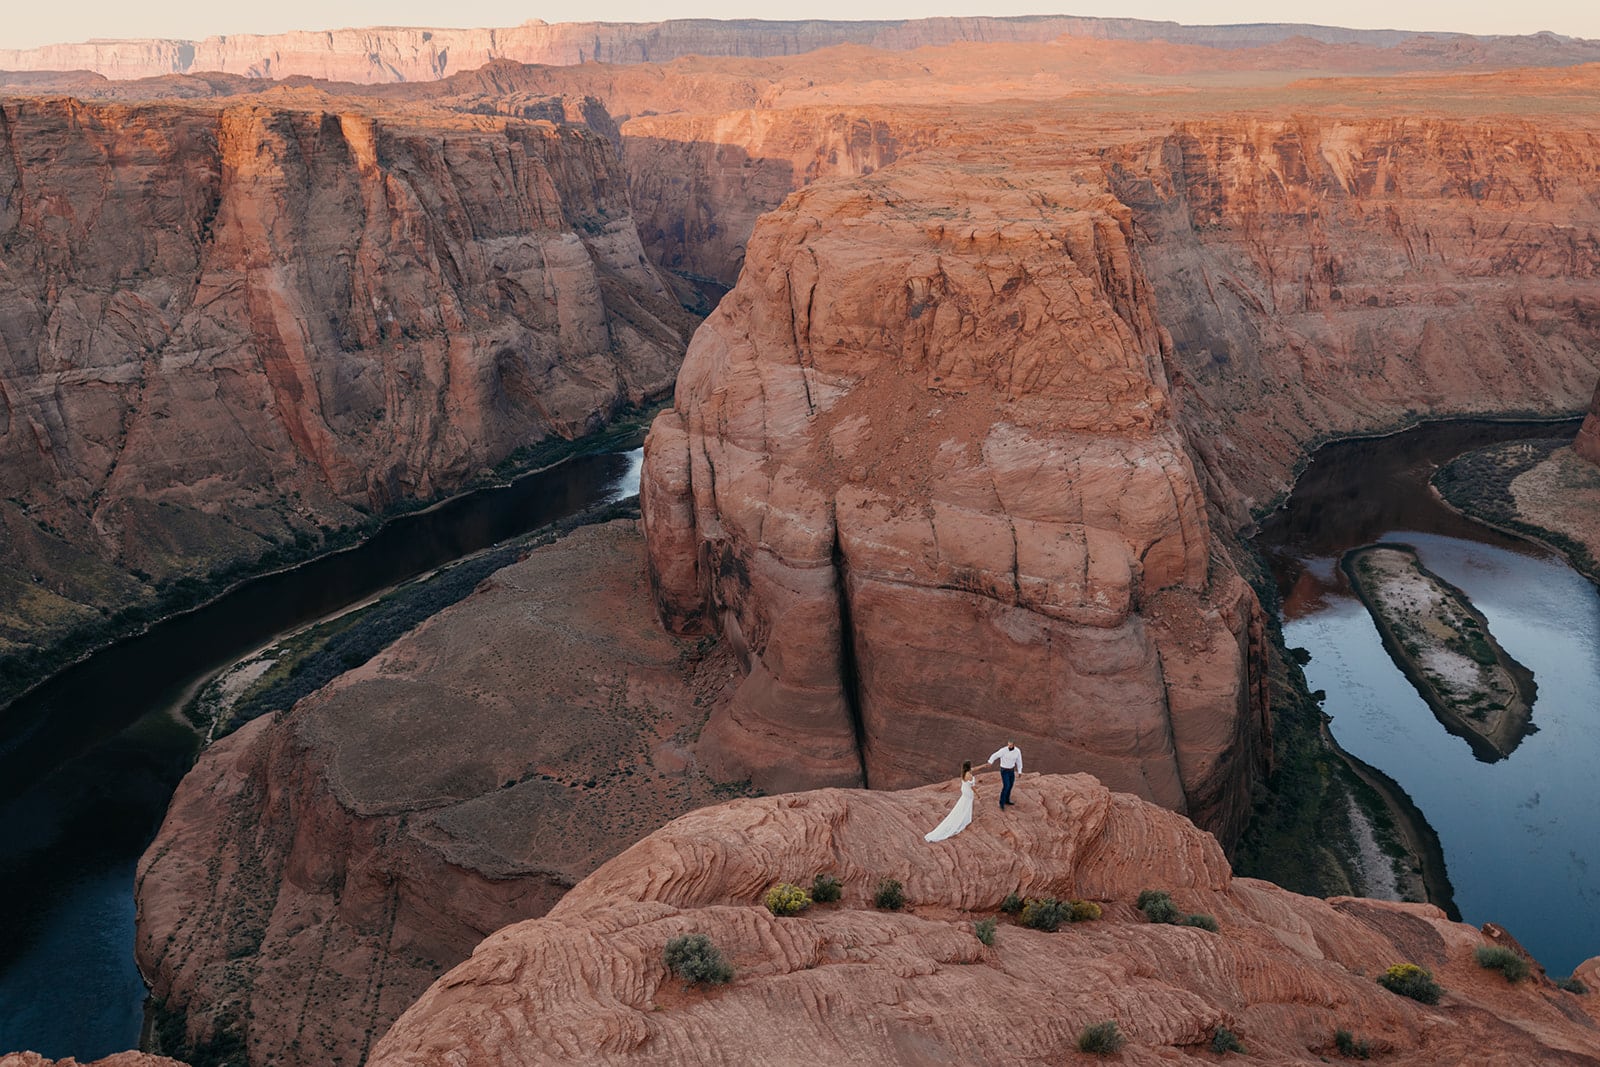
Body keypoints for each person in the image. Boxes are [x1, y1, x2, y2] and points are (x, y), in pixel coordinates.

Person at [924, 761, 976, 842]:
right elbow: (972, 787)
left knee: (963, 804)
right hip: (968, 791)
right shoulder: (968, 775)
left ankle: (964, 817)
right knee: (967, 804)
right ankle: (965, 819)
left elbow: (975, 769)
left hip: (964, 791)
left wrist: (985, 766)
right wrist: (978, 794)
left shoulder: (964, 772)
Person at [987, 740, 1023, 809]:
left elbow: (1019, 761)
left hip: (1011, 770)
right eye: (1008, 745)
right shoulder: (1003, 750)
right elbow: (995, 755)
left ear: (1014, 745)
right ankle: (1001, 803)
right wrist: (990, 762)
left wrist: (1019, 771)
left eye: (1011, 745)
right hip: (1004, 770)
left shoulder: (1017, 751)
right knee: (1006, 785)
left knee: (1010, 785)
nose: (1009, 746)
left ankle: (1007, 800)